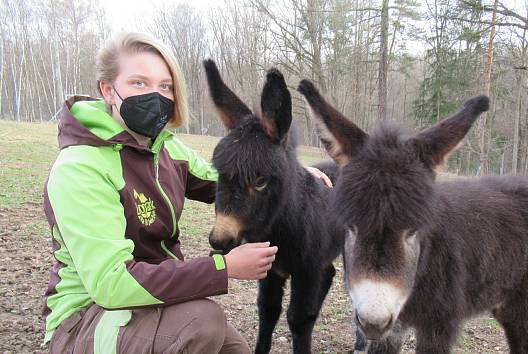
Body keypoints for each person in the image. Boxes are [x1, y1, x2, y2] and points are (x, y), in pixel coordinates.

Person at [42, 32, 331, 354]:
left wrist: (288, 171)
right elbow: (110, 283)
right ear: (108, 90)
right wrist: (224, 267)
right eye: (139, 83)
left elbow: (234, 179)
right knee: (203, 323)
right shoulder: (79, 168)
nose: (156, 96)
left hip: (156, 298)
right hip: (90, 314)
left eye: (165, 86)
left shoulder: (164, 149)